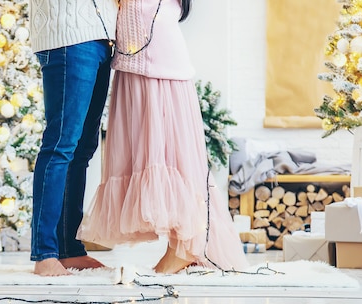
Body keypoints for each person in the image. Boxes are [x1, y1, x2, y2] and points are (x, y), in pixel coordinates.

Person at [77, 0, 249, 274]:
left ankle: (184, 247)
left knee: (171, 157)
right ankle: (181, 247)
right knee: (159, 156)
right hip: (138, 62)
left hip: (157, 64)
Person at [29, 0, 119, 276]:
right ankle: (45, 253)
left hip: (100, 39)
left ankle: (69, 249)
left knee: (82, 150)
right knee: (60, 145)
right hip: (68, 35)